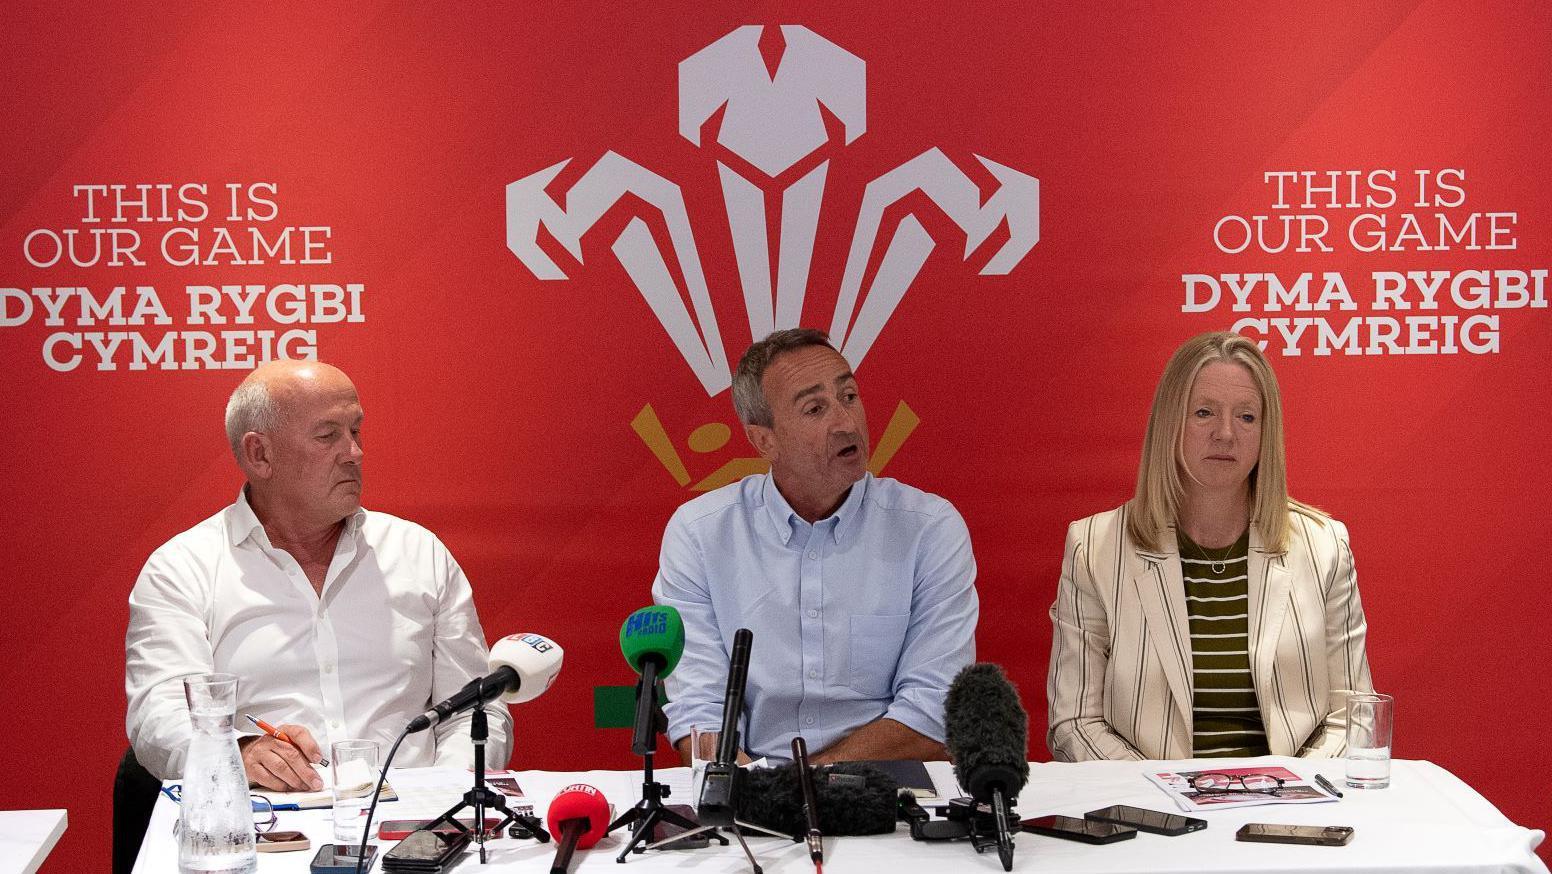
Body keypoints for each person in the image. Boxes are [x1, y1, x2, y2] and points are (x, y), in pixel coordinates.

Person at [125, 360, 511, 791]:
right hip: (266, 824)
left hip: (414, 826)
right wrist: (241, 750)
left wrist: (443, 796)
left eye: (356, 431)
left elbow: (478, 710)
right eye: (328, 436)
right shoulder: (182, 568)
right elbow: (159, 716)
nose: (354, 453)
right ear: (260, 455)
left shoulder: (419, 554)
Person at [653, 328, 978, 764]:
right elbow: (700, 706)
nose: (847, 423)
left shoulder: (928, 529)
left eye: (849, 396)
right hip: (749, 786)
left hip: (885, 784)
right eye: (815, 408)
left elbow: (932, 709)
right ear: (763, 440)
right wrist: (747, 785)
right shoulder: (700, 533)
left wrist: (800, 785)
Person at [1047, 331, 1373, 761]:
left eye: (1246, 417)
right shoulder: (1094, 547)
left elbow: (1354, 714)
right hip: (1151, 815)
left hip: (1291, 813)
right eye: (1204, 413)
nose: (1225, 434)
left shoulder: (1324, 546)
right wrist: (1163, 796)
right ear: (1170, 423)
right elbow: (1074, 722)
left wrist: (1291, 792)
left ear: (1265, 432)